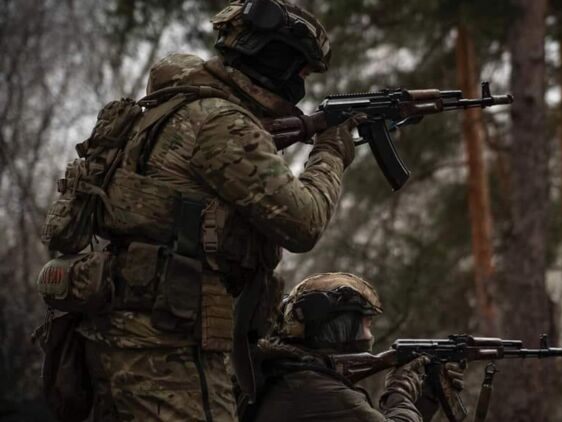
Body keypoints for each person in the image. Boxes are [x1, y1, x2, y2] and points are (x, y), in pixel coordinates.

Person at [72, 1, 362, 420]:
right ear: (275, 59)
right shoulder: (221, 122)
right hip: (168, 347)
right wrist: (331, 151)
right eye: (301, 72)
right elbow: (304, 224)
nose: (300, 85)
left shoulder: (176, 106)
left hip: (125, 331)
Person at [250, 272, 465, 422]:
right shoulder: (319, 390)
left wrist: (427, 395)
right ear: (342, 328)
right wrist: (400, 392)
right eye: (367, 324)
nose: (370, 336)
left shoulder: (291, 375)